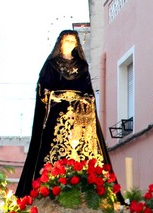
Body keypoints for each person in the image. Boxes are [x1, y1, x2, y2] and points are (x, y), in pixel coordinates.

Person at [15, 30, 117, 197]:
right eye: (66, 40)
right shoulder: (51, 65)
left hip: (79, 115)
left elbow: (89, 91)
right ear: (60, 43)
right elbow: (43, 90)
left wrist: (85, 100)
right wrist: (56, 97)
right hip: (58, 113)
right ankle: (50, 183)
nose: (69, 43)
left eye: (72, 41)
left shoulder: (83, 66)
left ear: (76, 44)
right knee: (53, 145)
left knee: (82, 149)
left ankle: (87, 182)